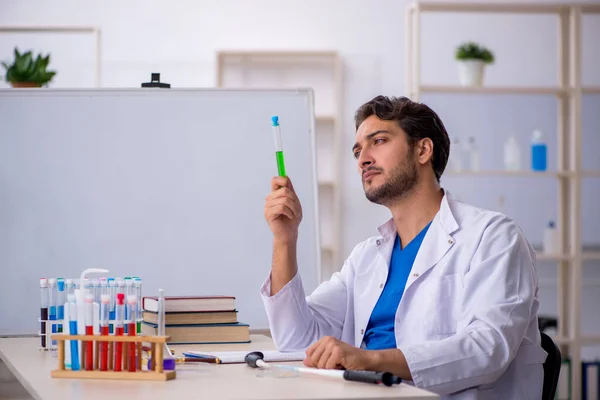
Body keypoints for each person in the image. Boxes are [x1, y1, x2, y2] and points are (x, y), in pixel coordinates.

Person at [261, 95, 547, 399]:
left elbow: (488, 349)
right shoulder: (367, 257)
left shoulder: (492, 237)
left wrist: (370, 360)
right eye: (357, 150)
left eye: (378, 141)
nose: (363, 158)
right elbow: (295, 340)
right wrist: (285, 238)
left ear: (423, 150)